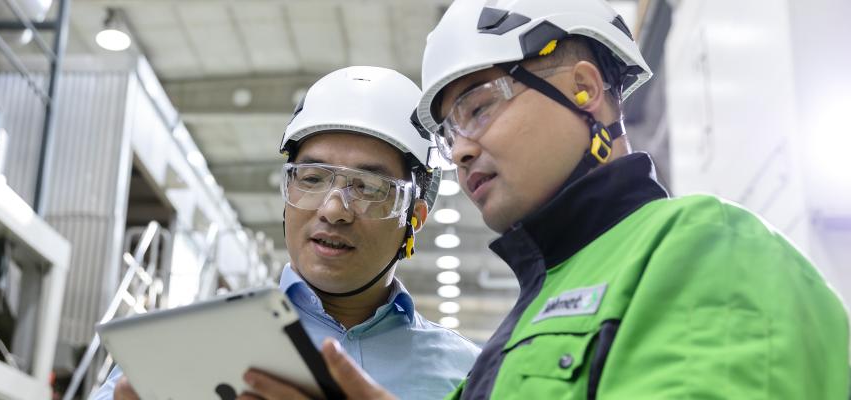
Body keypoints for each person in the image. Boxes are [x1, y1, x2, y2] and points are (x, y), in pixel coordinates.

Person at [243, 0, 851, 399]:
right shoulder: (521, 327)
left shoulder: (706, 247)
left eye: (478, 108)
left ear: (584, 89)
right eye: (450, 130)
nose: (459, 151)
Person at [93, 66, 480, 400]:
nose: (333, 209)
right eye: (310, 179)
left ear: (415, 216)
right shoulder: (178, 348)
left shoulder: (471, 374)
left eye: (369, 188)